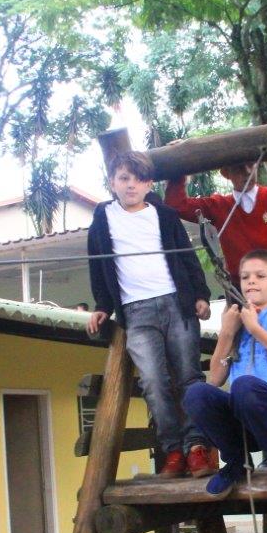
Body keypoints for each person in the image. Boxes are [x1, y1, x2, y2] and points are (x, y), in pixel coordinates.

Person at [165, 149, 267, 467]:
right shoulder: (219, 206)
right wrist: (180, 167)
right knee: (240, 366)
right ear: (226, 174)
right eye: (237, 168)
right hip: (239, 297)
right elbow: (177, 204)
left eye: (250, 165)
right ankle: (241, 454)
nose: (246, 171)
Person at [87, 150, 213, 478]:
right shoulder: (102, 218)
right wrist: (102, 307)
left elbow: (187, 257)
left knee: (189, 376)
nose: (131, 185)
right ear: (112, 182)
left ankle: (196, 447)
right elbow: (98, 267)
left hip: (176, 303)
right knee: (154, 382)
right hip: (136, 311)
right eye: (124, 178)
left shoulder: (164, 215)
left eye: (139, 179)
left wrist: (200, 295)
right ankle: (173, 449)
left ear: (149, 184)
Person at [185, 250, 267, 498]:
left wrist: (255, 328)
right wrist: (227, 332)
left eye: (260, 276)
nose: (251, 281)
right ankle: (236, 461)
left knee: (244, 385)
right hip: (242, 420)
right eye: (245, 277)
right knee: (196, 393)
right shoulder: (236, 320)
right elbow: (216, 378)